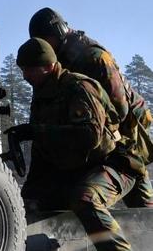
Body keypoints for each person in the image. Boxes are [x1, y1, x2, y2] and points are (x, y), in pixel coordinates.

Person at [7, 38, 133, 251]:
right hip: (75, 170)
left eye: (30, 69)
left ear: (48, 67)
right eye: (23, 70)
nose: (25, 76)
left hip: (114, 166)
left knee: (85, 198)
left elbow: (90, 136)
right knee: (21, 206)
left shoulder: (78, 88)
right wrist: (28, 195)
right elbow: (42, 151)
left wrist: (38, 131)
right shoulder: (42, 95)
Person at [29, 7, 153, 208]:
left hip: (127, 128)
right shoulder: (55, 62)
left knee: (131, 171)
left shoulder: (94, 58)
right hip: (96, 129)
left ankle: (146, 227)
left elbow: (120, 110)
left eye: (45, 40)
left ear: (58, 33)